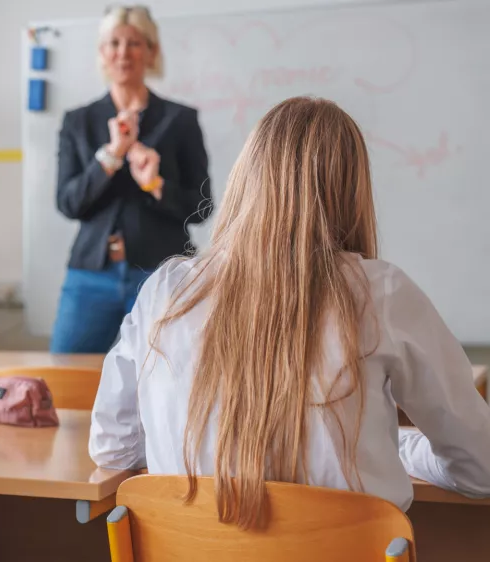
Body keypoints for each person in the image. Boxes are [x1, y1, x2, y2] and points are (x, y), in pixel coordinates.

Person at [88, 96, 490, 529]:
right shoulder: (384, 292)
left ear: (247, 178)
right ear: (352, 191)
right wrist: (402, 448)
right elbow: (480, 468)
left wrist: (205, 446)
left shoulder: (168, 291)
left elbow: (112, 448)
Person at [51, 5, 212, 353]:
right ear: (102, 53)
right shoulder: (78, 121)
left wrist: (155, 185)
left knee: (167, 380)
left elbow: (202, 207)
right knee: (65, 375)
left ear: (151, 51)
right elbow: (68, 202)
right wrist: (111, 156)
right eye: (114, 43)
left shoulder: (180, 120)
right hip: (90, 276)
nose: (123, 53)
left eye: (135, 43)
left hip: (162, 275)